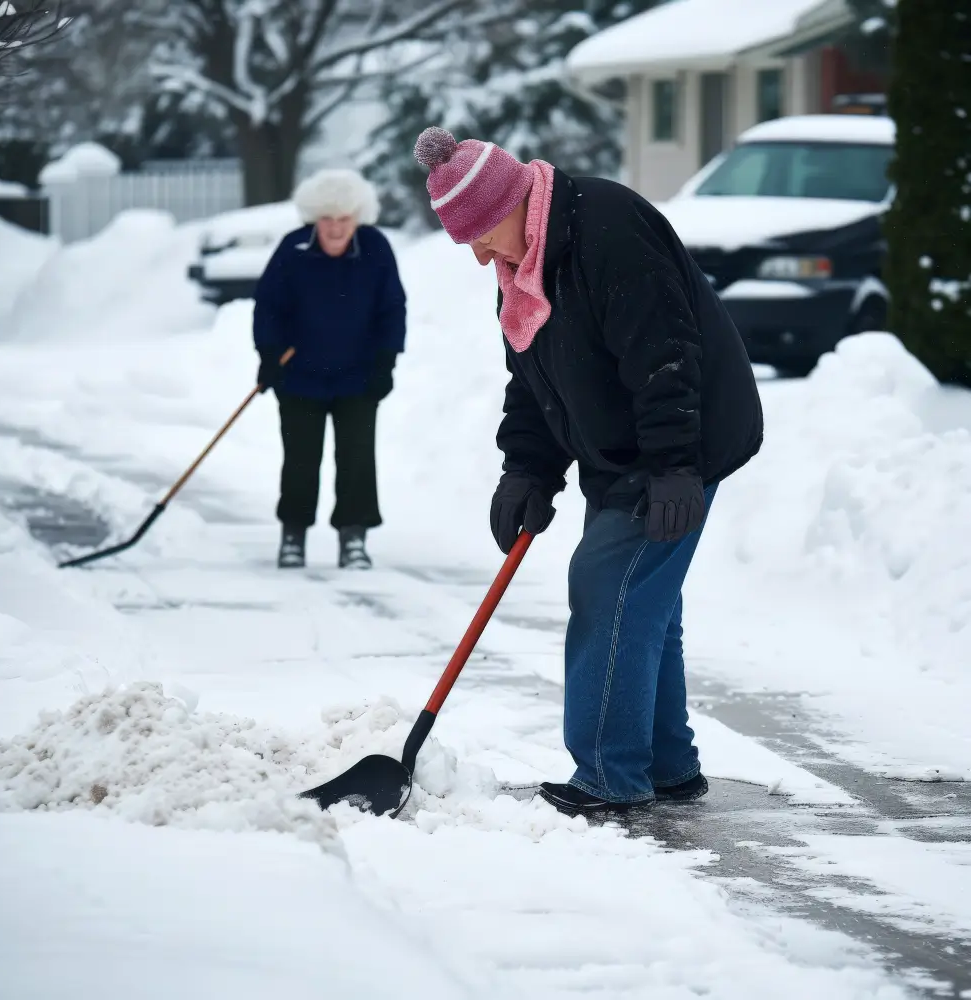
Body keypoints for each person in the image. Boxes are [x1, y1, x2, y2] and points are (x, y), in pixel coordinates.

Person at [413, 127, 764, 817]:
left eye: (482, 234)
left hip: (680, 438)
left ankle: (609, 771)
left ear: (514, 204)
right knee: (643, 602)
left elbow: (666, 356)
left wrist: (673, 469)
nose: (480, 253)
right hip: (622, 448)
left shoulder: (608, 229)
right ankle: (666, 766)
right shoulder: (524, 269)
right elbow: (537, 379)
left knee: (609, 586)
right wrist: (527, 471)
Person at [252, 168, 406, 570]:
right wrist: (269, 355)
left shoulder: (374, 247)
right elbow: (268, 305)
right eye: (328, 220)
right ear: (313, 219)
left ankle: (353, 536)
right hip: (298, 374)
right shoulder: (293, 249)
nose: (336, 229)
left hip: (358, 376)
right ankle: (293, 535)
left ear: (358, 218)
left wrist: (386, 362)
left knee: (356, 458)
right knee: (301, 458)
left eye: (344, 220)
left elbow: (391, 309)